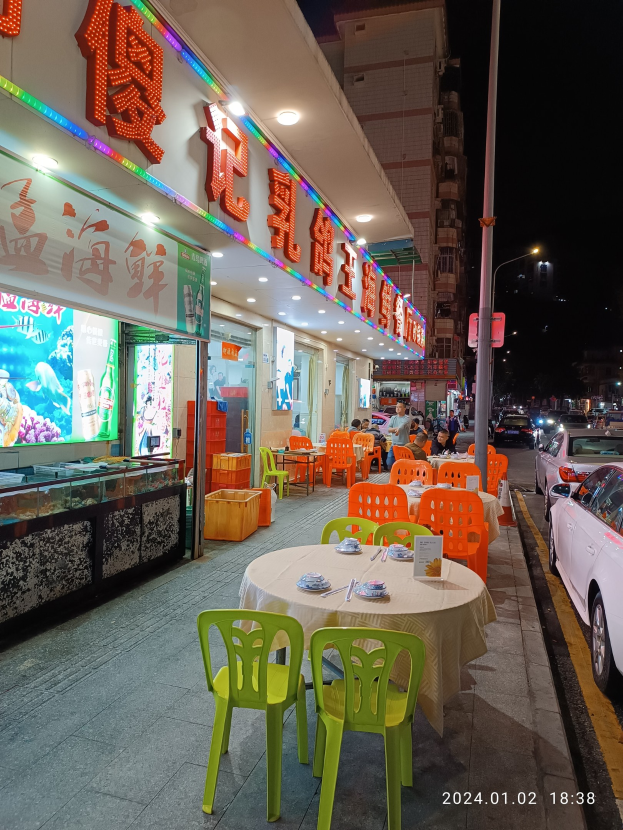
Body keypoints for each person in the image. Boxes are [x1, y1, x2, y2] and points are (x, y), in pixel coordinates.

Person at [386, 401, 411, 469]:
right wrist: (396, 430)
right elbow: (388, 429)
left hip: (404, 445)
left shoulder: (407, 418)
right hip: (394, 445)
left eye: (400, 407)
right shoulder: (393, 418)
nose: (398, 409)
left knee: (402, 465)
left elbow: (402, 425)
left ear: (404, 409)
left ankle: (400, 478)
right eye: (397, 407)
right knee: (389, 463)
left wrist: (398, 429)